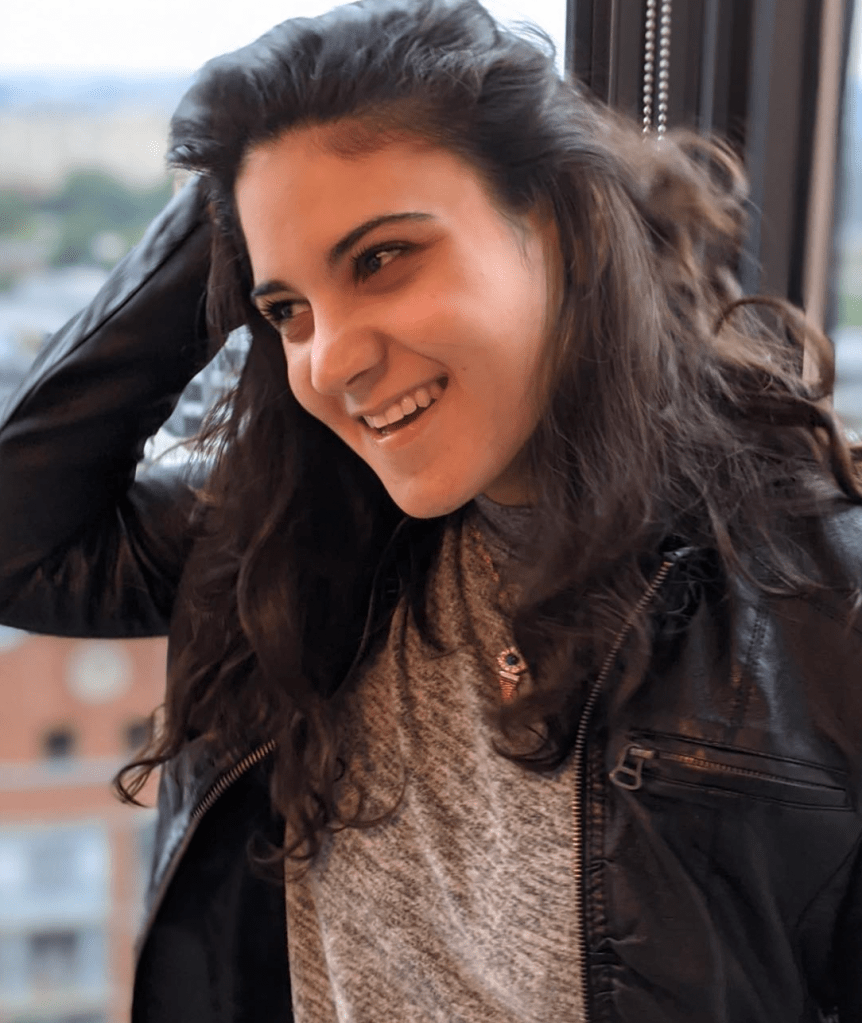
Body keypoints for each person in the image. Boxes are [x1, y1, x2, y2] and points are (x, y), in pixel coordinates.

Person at [0, 0, 861, 1019]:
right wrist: (244, 186)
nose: (330, 361)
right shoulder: (285, 542)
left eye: (381, 258)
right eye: (286, 310)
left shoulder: (817, 619)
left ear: (561, 225)